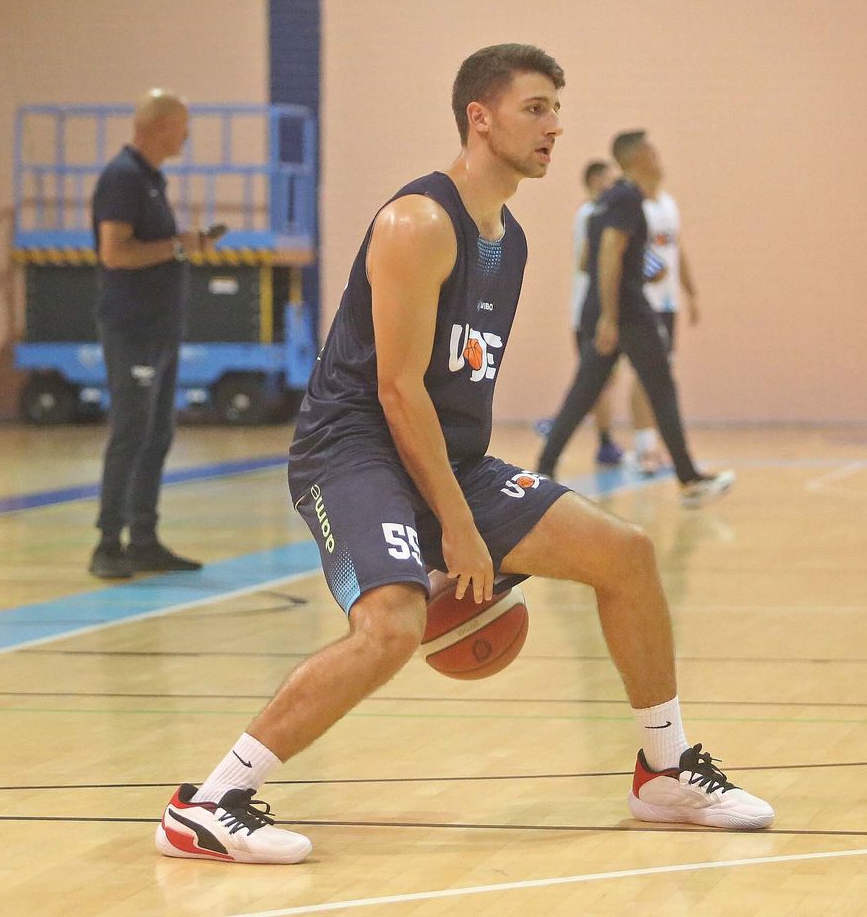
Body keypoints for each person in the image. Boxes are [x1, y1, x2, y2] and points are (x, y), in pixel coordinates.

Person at [154, 45, 772, 866]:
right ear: (480, 117)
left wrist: (474, 510)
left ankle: (663, 771)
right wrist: (459, 526)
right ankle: (207, 803)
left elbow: (452, 395)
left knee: (625, 554)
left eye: (557, 108)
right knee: (391, 625)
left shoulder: (509, 242)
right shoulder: (417, 222)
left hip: (449, 454)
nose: (555, 125)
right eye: (536, 107)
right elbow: (398, 389)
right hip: (354, 447)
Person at [536, 130, 734, 506]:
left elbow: (588, 259)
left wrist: (604, 307)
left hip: (602, 308)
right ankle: (690, 479)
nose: (658, 157)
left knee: (584, 392)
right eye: (652, 151)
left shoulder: (607, 200)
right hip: (627, 312)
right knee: (661, 388)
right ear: (639, 157)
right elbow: (610, 252)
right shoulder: (628, 197)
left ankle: (544, 468)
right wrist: (612, 316)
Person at [88, 90, 222, 579]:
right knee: (131, 432)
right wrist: (178, 245)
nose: (187, 136)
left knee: (157, 433)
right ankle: (108, 543)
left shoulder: (149, 180)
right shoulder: (123, 178)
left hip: (160, 329)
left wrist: (186, 245)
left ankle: (143, 539)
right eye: (183, 126)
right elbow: (115, 253)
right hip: (133, 329)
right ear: (163, 126)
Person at [627, 184, 700, 476]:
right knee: (644, 374)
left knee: (662, 373)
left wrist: (690, 291)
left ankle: (656, 446)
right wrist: (649, 270)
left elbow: (676, 249)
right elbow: (625, 249)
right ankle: (644, 448)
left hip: (669, 305)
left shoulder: (668, 203)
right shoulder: (634, 204)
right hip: (644, 302)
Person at [568, 159, 626, 466]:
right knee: (596, 381)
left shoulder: (595, 213)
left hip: (596, 309)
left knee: (603, 380)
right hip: (589, 311)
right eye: (607, 179)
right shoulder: (592, 214)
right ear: (593, 182)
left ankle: (571, 430)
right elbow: (586, 261)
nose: (612, 185)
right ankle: (601, 441)